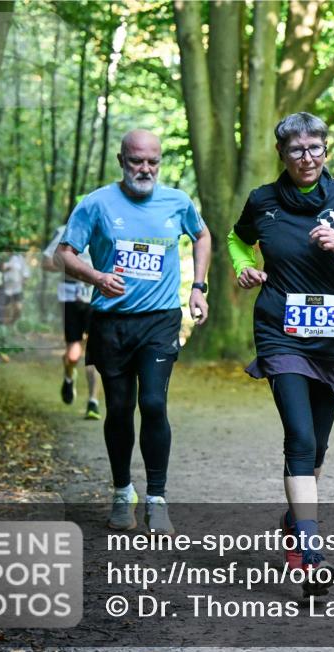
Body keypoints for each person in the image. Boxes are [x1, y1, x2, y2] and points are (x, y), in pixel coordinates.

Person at [228, 112, 334, 595]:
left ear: (326, 150)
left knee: (316, 448)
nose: (307, 158)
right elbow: (238, 240)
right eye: (297, 150)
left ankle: (297, 518)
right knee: (298, 438)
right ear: (282, 154)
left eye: (315, 148)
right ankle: (310, 550)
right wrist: (245, 268)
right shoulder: (262, 201)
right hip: (280, 332)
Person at [55, 129, 211, 534]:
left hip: (160, 320)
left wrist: (198, 287)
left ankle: (157, 498)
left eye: (152, 162)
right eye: (136, 161)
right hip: (111, 322)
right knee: (120, 408)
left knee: (155, 404)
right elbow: (64, 254)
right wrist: (96, 276)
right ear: (121, 161)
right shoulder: (96, 204)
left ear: (159, 162)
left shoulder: (177, 202)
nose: (145, 169)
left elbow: (202, 235)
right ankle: (123, 492)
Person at [43, 226, 100, 419]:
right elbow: (46, 262)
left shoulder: (108, 229)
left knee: (95, 352)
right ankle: (69, 376)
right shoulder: (65, 231)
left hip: (98, 296)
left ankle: (93, 402)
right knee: (73, 355)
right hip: (71, 296)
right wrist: (74, 267)